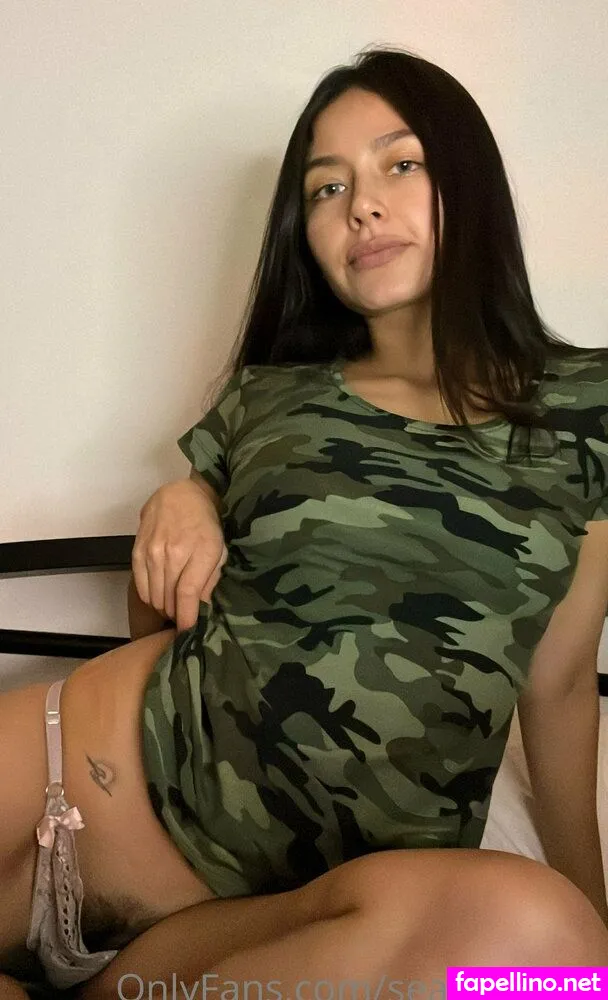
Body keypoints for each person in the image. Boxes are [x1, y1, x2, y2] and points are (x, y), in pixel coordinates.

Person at [2, 45, 608, 1000]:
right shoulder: (269, 396)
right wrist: (181, 504)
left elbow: (563, 679)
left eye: (399, 164)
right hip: (63, 776)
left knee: (556, 961)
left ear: (469, 178)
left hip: (243, 932)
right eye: (328, 187)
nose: (362, 205)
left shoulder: (586, 406)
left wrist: (597, 925)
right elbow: (163, 627)